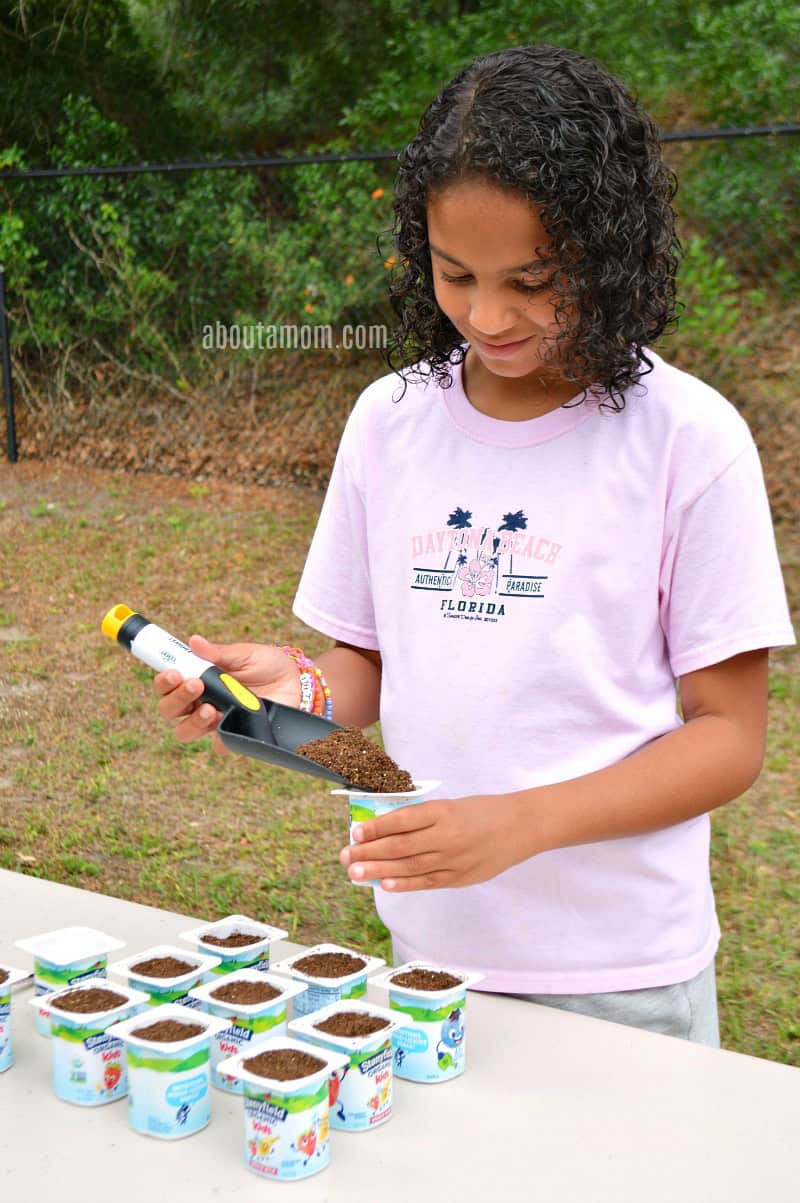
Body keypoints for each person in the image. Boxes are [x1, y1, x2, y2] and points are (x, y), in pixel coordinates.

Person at [155, 44, 795, 1046]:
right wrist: (292, 696)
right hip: (429, 959)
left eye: (530, 281)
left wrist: (519, 822)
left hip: (622, 974)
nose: (486, 316)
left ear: (608, 249)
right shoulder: (388, 422)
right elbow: (367, 671)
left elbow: (727, 738)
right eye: (455, 274)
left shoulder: (688, 440)